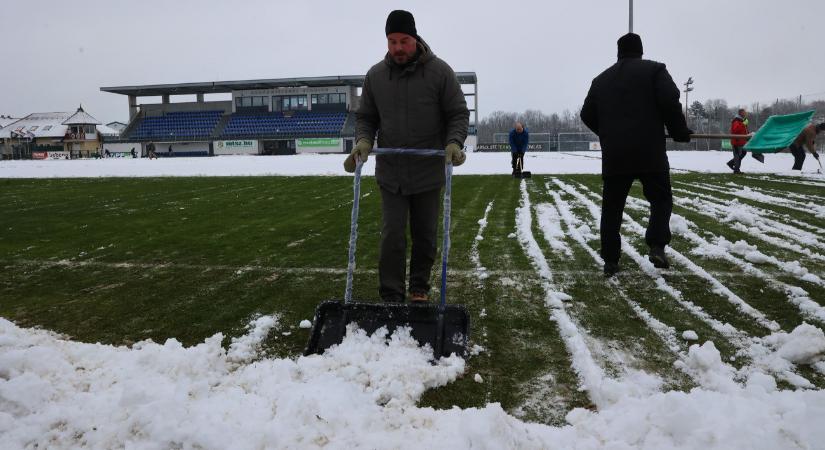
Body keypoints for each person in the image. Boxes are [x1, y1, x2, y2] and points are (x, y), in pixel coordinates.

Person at [344, 9, 469, 303]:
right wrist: (363, 140)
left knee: (425, 236)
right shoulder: (375, 76)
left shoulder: (440, 72)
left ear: (415, 38)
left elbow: (457, 114)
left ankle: (419, 289)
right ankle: (391, 294)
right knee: (392, 237)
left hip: (428, 170)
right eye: (392, 41)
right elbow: (366, 117)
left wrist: (453, 143)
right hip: (392, 172)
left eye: (403, 41)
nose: (398, 48)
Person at [581, 33, 692, 277]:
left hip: (616, 154)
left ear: (618, 52)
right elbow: (670, 101)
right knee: (661, 199)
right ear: (640, 50)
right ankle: (657, 244)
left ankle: (610, 259)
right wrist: (679, 131)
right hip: (649, 150)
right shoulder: (655, 71)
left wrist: (609, 133)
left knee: (612, 208)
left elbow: (587, 114)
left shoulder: (600, 80)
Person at [727, 109, 749, 173]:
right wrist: (743, 124)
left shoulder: (742, 120)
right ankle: (736, 170)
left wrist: (748, 134)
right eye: (744, 112)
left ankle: (731, 163)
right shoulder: (736, 120)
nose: (745, 113)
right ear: (741, 113)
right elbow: (735, 130)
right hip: (736, 141)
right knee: (737, 156)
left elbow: (744, 131)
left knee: (743, 153)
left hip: (742, 141)